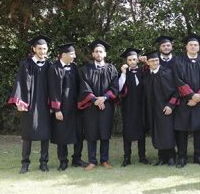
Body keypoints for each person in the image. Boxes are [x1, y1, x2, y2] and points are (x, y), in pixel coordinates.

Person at [8, 34, 52, 173]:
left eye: (44, 48)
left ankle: (43, 162)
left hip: (45, 104)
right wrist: (19, 102)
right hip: (29, 104)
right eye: (39, 48)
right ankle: (25, 163)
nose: (42, 51)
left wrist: (54, 104)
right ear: (34, 49)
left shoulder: (50, 66)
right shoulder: (26, 64)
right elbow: (20, 83)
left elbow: (55, 86)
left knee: (45, 134)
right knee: (28, 133)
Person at [77, 39, 119, 170]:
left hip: (106, 106)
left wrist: (104, 98)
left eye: (101, 51)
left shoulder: (112, 69)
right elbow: (84, 87)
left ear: (105, 54)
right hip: (91, 107)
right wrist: (94, 100)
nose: (98, 54)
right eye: (96, 51)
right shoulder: (85, 70)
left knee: (105, 133)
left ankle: (104, 160)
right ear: (93, 54)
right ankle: (92, 161)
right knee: (91, 134)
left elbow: (115, 87)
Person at [172, 34, 200, 167]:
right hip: (184, 100)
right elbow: (177, 80)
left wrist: (197, 97)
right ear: (186, 47)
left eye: (195, 45)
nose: (193, 47)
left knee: (199, 129)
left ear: (199, 47)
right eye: (191, 45)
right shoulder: (179, 61)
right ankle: (182, 156)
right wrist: (190, 95)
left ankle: (199, 156)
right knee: (182, 129)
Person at [47, 42, 87, 171]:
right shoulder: (54, 68)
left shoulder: (74, 67)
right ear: (63, 55)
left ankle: (77, 159)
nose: (74, 56)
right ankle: (63, 161)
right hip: (62, 108)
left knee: (79, 134)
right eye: (72, 54)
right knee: (61, 135)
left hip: (75, 108)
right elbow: (53, 90)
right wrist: (56, 109)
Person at [142, 51, 178, 166]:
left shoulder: (167, 72)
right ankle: (162, 157)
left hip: (165, 108)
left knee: (167, 132)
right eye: (152, 61)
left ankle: (171, 156)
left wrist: (170, 105)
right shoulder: (146, 75)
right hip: (152, 109)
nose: (155, 63)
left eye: (157, 60)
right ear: (148, 63)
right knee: (156, 132)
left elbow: (176, 91)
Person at [118, 48, 148, 166]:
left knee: (142, 131)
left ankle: (142, 156)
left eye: (134, 59)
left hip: (141, 106)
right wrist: (123, 73)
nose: (132, 62)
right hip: (128, 106)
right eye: (129, 60)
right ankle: (127, 157)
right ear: (126, 61)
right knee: (127, 131)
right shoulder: (123, 73)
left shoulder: (143, 71)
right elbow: (119, 88)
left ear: (137, 60)